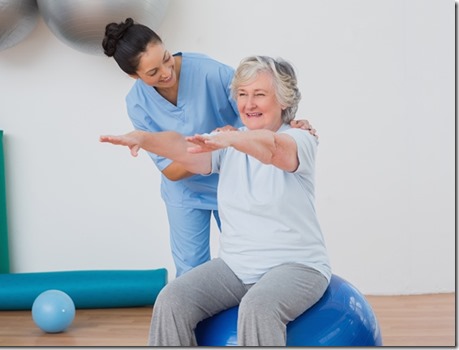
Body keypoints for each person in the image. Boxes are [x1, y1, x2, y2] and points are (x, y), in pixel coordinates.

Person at [100, 55, 331, 346]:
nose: (248, 104)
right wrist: (144, 138)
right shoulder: (229, 141)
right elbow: (183, 149)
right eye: (243, 95)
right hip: (236, 267)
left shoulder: (300, 138)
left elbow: (273, 150)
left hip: (297, 266)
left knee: (258, 306)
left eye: (259, 95)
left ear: (283, 100)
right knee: (172, 299)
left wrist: (233, 139)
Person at [101, 18, 317, 277]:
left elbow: (259, 111)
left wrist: (291, 124)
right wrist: (209, 149)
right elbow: (170, 169)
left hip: (238, 183)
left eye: (166, 58)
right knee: (191, 272)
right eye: (153, 72)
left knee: (251, 266)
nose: (166, 72)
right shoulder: (137, 103)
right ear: (133, 76)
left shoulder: (210, 73)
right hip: (186, 193)